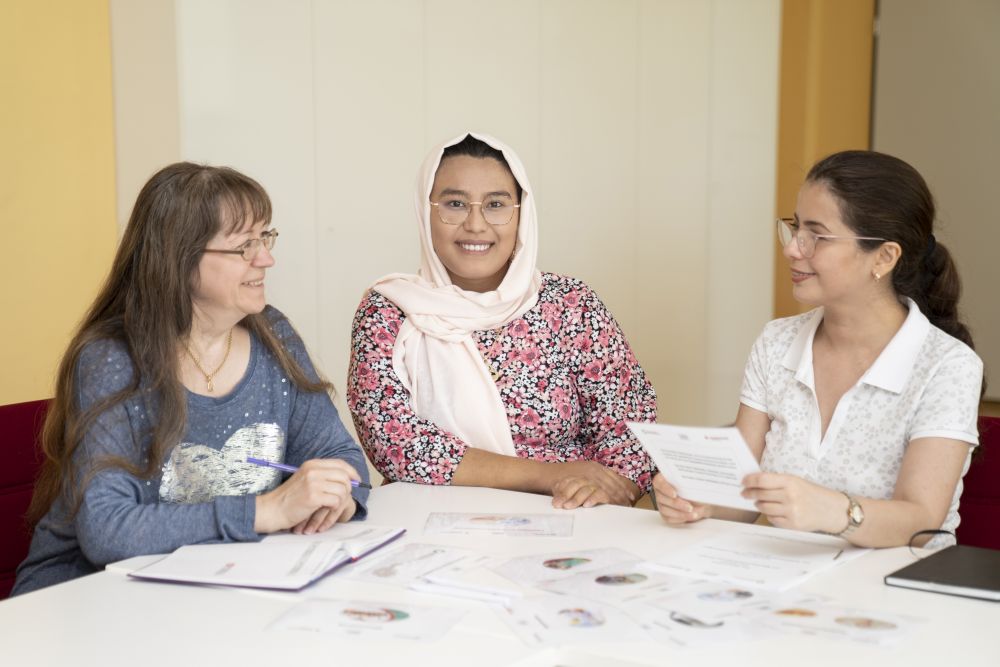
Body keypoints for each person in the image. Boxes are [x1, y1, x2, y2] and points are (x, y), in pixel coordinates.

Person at [13, 163, 369, 595]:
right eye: (244, 246)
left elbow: (338, 453)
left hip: (209, 586)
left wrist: (334, 495)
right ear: (180, 260)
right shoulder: (112, 360)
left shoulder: (273, 334)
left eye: (266, 237)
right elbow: (106, 530)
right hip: (83, 597)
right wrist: (265, 511)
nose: (266, 258)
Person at [654, 150, 984, 548]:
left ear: (884, 257)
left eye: (817, 236)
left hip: (897, 589)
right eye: (794, 228)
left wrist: (830, 510)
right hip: (783, 586)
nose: (793, 249)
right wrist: (699, 500)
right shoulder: (775, 342)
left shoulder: (948, 365)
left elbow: (920, 521)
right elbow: (742, 495)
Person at [347, 132, 656, 509]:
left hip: (569, 517)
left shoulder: (570, 304)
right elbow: (396, 445)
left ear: (522, 214)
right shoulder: (390, 311)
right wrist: (552, 475)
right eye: (455, 204)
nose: (476, 224)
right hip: (431, 526)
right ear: (424, 212)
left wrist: (608, 490)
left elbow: (629, 427)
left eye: (496, 204)